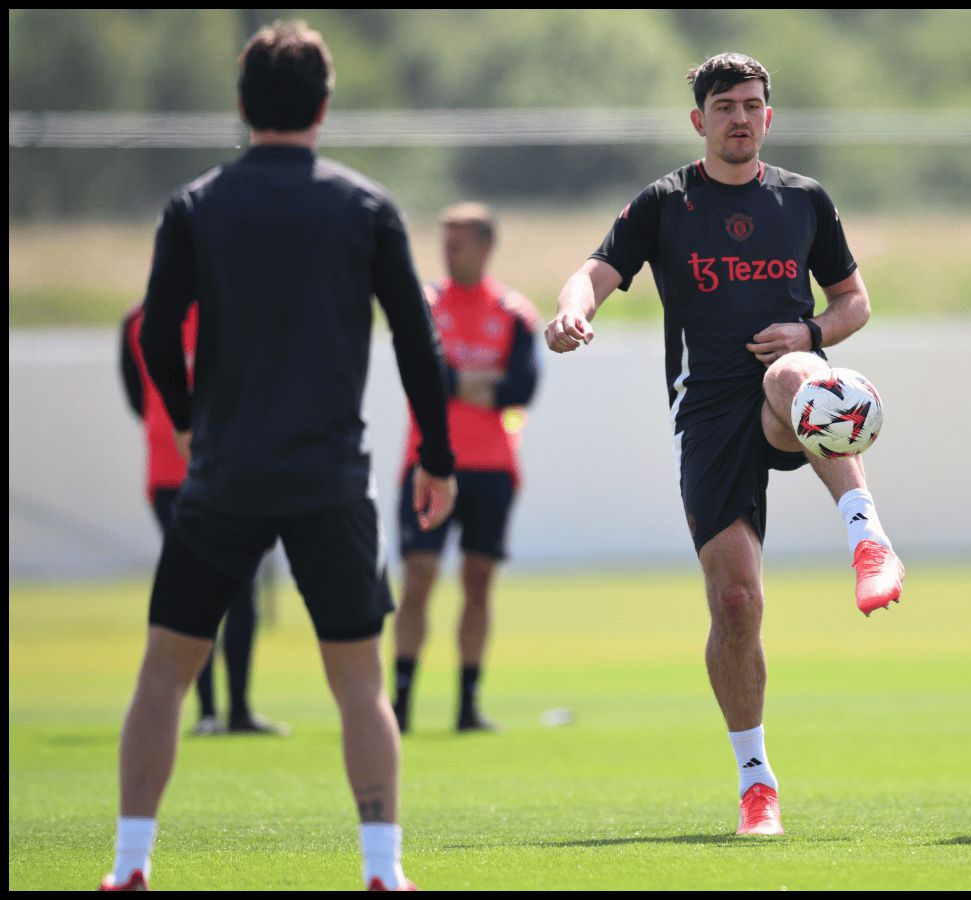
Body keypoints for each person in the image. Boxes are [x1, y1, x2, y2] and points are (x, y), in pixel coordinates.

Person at [100, 20, 455, 892]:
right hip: (329, 477)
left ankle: (131, 862)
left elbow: (152, 337)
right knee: (358, 681)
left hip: (221, 476)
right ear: (325, 104)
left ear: (240, 103)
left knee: (164, 673)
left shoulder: (196, 204)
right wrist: (437, 457)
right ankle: (382, 867)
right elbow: (417, 343)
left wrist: (187, 424)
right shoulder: (366, 206)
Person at [544, 52, 905, 837]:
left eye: (751, 105)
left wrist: (806, 330)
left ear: (768, 118)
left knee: (796, 376)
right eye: (724, 105)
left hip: (784, 390)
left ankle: (866, 536)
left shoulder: (804, 199)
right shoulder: (665, 203)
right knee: (735, 603)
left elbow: (853, 302)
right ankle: (756, 782)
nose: (739, 117)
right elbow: (594, 272)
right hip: (706, 413)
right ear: (698, 120)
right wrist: (574, 313)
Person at [392, 202, 540, 734]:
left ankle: (467, 705)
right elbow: (423, 377)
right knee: (418, 577)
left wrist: (456, 380)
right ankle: (400, 705)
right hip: (427, 463)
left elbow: (521, 390)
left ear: (485, 245)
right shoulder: (424, 304)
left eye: (457, 241)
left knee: (478, 583)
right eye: (443, 240)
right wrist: (482, 381)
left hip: (493, 468)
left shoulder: (515, 312)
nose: (447, 251)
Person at [120, 302, 288, 738]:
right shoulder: (140, 321)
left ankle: (238, 710)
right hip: (172, 476)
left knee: (241, 590)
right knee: (197, 591)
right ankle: (207, 711)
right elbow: (140, 399)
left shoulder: (231, 309)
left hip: (232, 475)